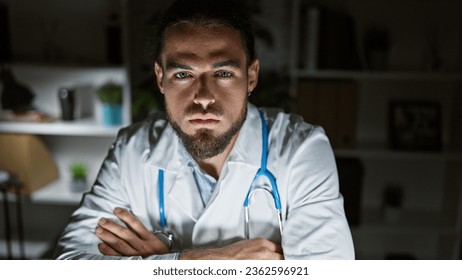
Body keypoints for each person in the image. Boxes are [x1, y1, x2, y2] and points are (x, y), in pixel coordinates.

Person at [53, 0, 354, 260]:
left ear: (251, 76)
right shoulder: (132, 152)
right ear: (161, 78)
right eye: (183, 74)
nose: (204, 97)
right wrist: (207, 259)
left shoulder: (301, 149)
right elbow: (68, 264)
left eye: (223, 73)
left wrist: (158, 259)